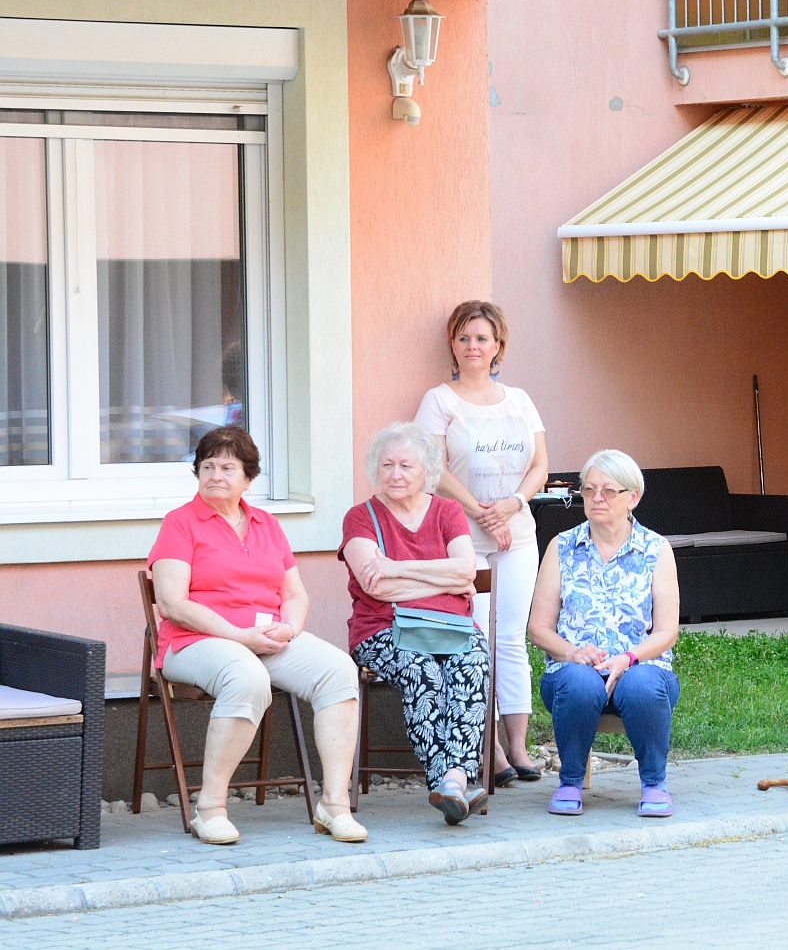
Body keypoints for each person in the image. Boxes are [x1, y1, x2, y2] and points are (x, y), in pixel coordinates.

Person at [147, 425, 364, 845]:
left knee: (338, 671)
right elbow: (172, 603)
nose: (215, 475)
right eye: (207, 466)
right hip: (195, 641)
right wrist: (239, 636)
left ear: (249, 477)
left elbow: (295, 594)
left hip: (263, 636)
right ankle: (209, 808)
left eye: (227, 467)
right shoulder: (180, 523)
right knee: (247, 678)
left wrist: (291, 627)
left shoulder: (267, 524)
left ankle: (334, 804)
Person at [416, 300, 549, 786]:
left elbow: (540, 464)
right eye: (464, 338)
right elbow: (432, 468)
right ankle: (484, 746)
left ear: (499, 347)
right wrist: (479, 510)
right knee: (475, 640)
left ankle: (518, 744)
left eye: (482, 338)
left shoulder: (519, 399)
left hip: (516, 532)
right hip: (461, 535)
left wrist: (511, 504)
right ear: (452, 344)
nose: (473, 347)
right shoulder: (438, 400)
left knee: (511, 637)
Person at [339, 422, 492, 825]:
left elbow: (466, 573)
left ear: (426, 470)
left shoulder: (447, 511)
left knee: (473, 662)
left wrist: (400, 568)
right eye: (387, 465)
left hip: (451, 627)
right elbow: (375, 585)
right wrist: (439, 577)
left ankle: (451, 782)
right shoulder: (361, 517)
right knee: (422, 670)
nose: (395, 474)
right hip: (382, 629)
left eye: (406, 465)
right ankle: (453, 780)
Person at [528, 450, 681, 818]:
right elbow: (537, 627)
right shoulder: (561, 547)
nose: (597, 498)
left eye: (609, 491)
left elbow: (667, 631)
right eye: (589, 489)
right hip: (573, 673)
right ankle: (569, 783)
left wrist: (629, 658)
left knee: (643, 686)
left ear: (633, 497)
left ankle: (654, 784)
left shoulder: (656, 550)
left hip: (640, 668)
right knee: (579, 685)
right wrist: (570, 651)